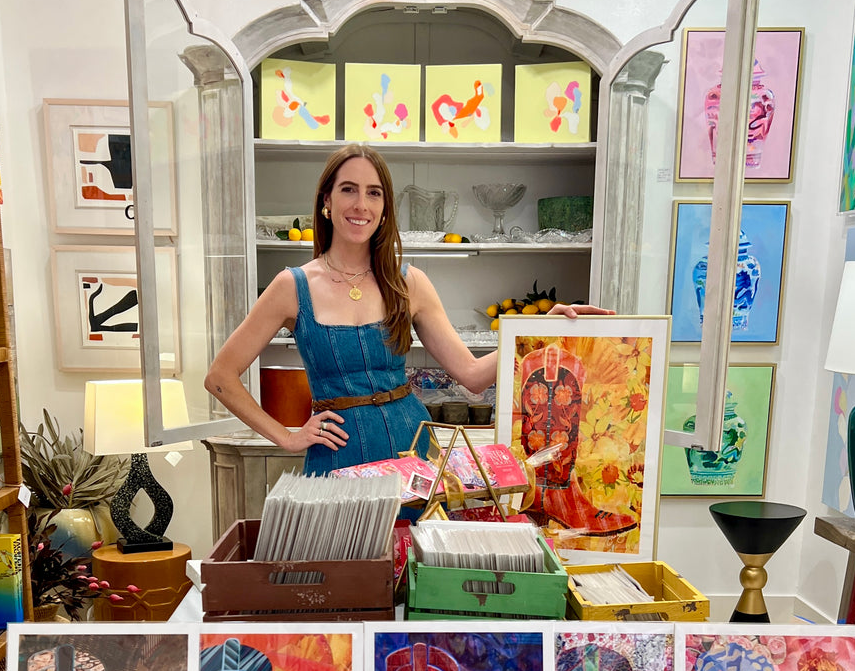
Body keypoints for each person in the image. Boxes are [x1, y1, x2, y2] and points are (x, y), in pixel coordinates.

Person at [203, 143, 600, 474]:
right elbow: (220, 377)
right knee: (346, 566)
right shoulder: (292, 286)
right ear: (326, 200)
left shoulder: (409, 282)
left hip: (413, 447)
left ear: (385, 206)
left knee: (411, 564)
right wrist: (288, 437)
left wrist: (538, 332)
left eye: (374, 192)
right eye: (348, 189)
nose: (361, 204)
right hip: (337, 456)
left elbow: (474, 376)